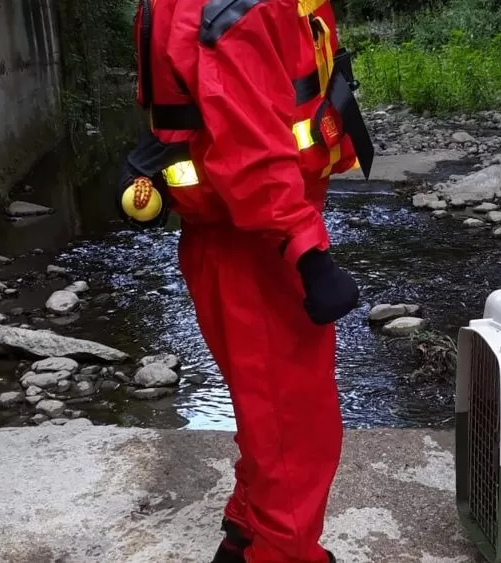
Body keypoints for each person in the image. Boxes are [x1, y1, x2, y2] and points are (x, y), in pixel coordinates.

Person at [117, 0, 375, 561]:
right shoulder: (241, 12)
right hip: (260, 243)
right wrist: (310, 255)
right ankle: (281, 554)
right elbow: (252, 156)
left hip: (243, 234)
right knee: (295, 431)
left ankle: (245, 534)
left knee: (271, 414)